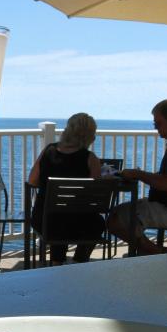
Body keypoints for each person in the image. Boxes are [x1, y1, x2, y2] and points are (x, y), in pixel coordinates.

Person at [106, 99, 167, 254]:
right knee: (117, 215)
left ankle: (152, 251)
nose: (155, 128)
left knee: (115, 219)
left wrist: (138, 174)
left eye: (158, 123)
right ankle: (150, 250)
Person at [28, 112, 103, 264]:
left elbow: (32, 181)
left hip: (43, 221)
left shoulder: (48, 151)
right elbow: (96, 197)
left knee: (59, 217)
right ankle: (79, 261)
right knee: (97, 223)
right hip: (76, 224)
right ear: (89, 136)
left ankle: (57, 262)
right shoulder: (90, 159)